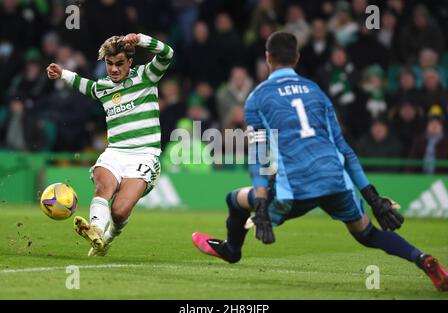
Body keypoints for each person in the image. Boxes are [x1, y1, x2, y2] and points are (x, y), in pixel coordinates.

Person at [192, 32, 448, 291]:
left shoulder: (257, 98)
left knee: (234, 199)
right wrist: (372, 197)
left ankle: (231, 249)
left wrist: (260, 202)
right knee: (368, 234)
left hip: (295, 188)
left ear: (267, 58)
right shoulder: (316, 92)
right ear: (298, 57)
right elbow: (344, 149)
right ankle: (421, 258)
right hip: (335, 179)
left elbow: (257, 155)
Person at [46, 33, 173, 256]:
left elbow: (167, 53)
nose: (113, 69)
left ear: (130, 62)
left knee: (119, 211)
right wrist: (63, 73)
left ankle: (108, 235)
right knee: (102, 187)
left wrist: (141, 39)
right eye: (109, 64)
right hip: (115, 152)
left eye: (119, 64)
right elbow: (87, 87)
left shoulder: (147, 75)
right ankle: (94, 228)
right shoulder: (104, 86)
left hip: (144, 156)